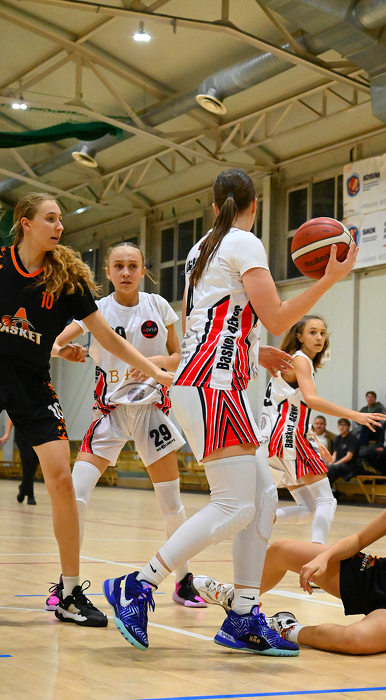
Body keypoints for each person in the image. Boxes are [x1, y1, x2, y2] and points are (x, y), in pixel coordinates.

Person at [102, 167, 358, 655]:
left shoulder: (201, 248)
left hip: (210, 381)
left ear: (214, 206)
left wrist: (253, 350)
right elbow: (277, 317)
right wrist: (330, 278)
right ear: (254, 206)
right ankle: (139, 583)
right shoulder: (244, 242)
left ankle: (242, 613)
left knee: (261, 499)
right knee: (236, 505)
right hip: (212, 385)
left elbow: (208, 321)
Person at [0, 192, 172, 628]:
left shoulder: (66, 280)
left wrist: (154, 369)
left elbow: (108, 338)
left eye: (61, 219)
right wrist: (61, 350)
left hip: (33, 384)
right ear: (26, 223)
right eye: (50, 218)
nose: (59, 226)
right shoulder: (1, 263)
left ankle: (70, 592)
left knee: (61, 480)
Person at [201, 430, 386, 655]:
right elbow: (359, 539)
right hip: (378, 578)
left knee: (355, 640)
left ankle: (283, 627)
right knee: (281, 550)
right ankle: (237, 600)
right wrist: (323, 557)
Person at [46, 241, 206, 611]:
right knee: (76, 496)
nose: (126, 272)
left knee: (172, 504)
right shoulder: (96, 310)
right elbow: (52, 344)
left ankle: (184, 581)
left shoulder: (158, 306)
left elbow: (181, 356)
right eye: (118, 266)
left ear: (143, 270)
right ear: (107, 272)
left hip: (151, 411)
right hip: (109, 413)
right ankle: (67, 583)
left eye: (133, 265)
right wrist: (64, 352)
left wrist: (155, 361)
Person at [260, 315, 385, 543]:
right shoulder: (301, 360)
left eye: (322, 333)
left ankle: (260, 519)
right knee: (326, 500)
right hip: (289, 438)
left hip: (273, 440)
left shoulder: (291, 361)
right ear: (299, 337)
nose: (319, 337)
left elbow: (293, 407)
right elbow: (312, 400)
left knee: (309, 508)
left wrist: (314, 441)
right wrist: (355, 415)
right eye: (312, 332)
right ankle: (317, 552)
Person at [0, 416, 40, 504]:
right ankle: (30, 495)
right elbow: (12, 416)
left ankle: (23, 488)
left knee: (34, 463)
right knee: (28, 462)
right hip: (22, 434)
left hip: (37, 434)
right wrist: (7, 434)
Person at [326, 418, 360, 487]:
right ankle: (329, 488)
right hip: (338, 464)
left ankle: (327, 488)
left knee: (332, 468)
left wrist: (335, 464)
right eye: (340, 425)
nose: (341, 427)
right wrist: (330, 463)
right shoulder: (338, 438)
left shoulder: (352, 439)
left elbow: (349, 457)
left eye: (344, 425)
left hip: (349, 466)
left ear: (348, 426)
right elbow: (334, 454)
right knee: (325, 468)